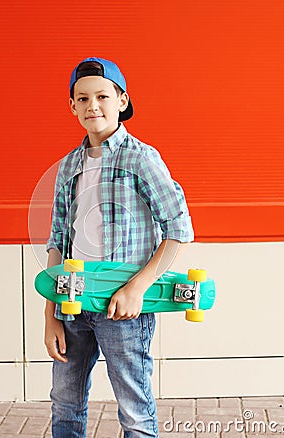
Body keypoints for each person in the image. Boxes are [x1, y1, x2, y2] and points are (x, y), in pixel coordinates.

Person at [44, 57, 194, 437]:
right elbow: (58, 240)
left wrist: (137, 288)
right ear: (72, 106)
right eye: (83, 98)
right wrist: (50, 315)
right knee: (64, 402)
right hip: (72, 305)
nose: (92, 105)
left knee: (134, 409)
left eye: (102, 96)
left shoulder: (141, 159)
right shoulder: (68, 166)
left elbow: (179, 228)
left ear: (122, 101)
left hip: (123, 311)